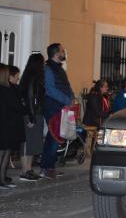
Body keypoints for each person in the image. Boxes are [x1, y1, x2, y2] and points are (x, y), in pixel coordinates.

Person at [40, 43, 74, 179]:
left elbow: (67, 85)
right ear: (56, 53)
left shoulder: (60, 69)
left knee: (54, 137)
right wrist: (66, 100)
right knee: (54, 137)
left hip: (62, 106)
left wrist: (71, 97)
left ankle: (49, 166)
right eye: (62, 50)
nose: (64, 52)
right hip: (52, 106)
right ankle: (47, 167)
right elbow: (50, 89)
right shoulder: (48, 69)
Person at [18, 53, 45, 182]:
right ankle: (24, 171)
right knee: (27, 142)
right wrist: (32, 115)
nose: (44, 65)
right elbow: (30, 96)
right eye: (42, 62)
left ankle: (28, 169)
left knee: (33, 143)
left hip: (35, 112)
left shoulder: (32, 76)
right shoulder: (33, 77)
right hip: (31, 113)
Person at [0, 64, 26, 189]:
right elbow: (16, 106)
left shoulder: (7, 88)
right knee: (3, 153)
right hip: (5, 125)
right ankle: (1, 179)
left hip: (7, 125)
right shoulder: (5, 89)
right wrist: (26, 108)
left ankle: (2, 179)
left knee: (6, 152)